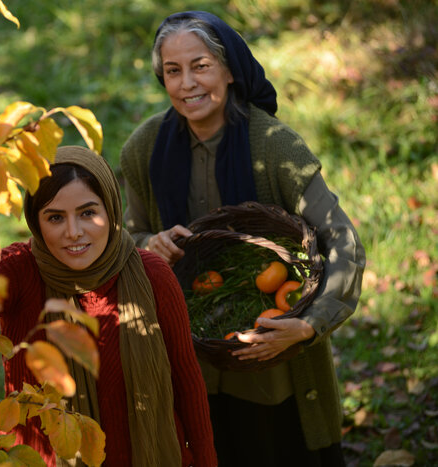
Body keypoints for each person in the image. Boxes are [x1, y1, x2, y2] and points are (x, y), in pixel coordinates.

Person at [120, 10, 365, 467]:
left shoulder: (274, 148)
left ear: (230, 70)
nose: (187, 83)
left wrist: (308, 325)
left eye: (200, 66)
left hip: (268, 356)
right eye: (173, 71)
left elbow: (342, 241)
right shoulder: (144, 147)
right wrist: (149, 242)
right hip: (185, 351)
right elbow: (132, 235)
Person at [0, 146, 218, 466]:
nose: (73, 232)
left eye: (88, 213)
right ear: (36, 220)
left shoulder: (152, 275)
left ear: (112, 210)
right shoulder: (20, 272)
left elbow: (187, 382)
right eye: (55, 217)